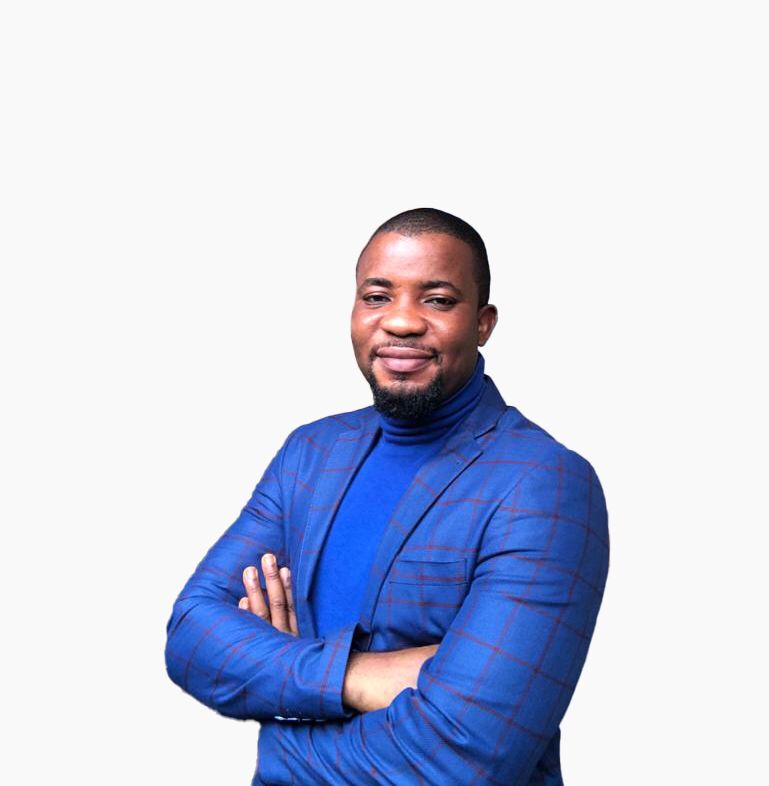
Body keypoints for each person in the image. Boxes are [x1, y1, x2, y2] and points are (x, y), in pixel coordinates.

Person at [164, 207, 609, 785]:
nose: (400, 321)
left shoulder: (543, 483)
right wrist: (352, 676)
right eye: (377, 296)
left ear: (483, 323)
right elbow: (192, 635)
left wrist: (279, 741)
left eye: (438, 300)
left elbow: (464, 757)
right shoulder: (311, 453)